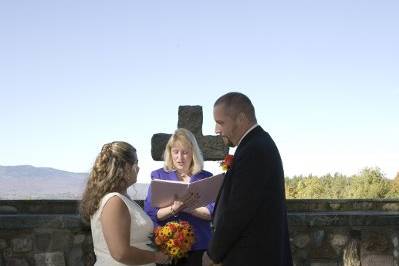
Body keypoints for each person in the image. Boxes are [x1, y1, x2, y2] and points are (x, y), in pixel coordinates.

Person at [203, 92, 293, 266]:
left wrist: (213, 254)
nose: (216, 130)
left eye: (221, 122)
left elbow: (238, 211)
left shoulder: (254, 150)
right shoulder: (256, 144)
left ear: (241, 119)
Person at [79, 141, 170, 266]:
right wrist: (156, 257)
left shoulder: (121, 198)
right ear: (127, 167)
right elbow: (120, 253)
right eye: (136, 163)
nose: (138, 168)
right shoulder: (114, 202)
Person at [144, 128, 214, 266]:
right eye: (175, 152)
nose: (180, 157)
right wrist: (173, 208)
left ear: (193, 153)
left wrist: (187, 207)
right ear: (170, 152)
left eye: (185, 152)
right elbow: (152, 213)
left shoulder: (206, 177)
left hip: (199, 247)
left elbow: (212, 213)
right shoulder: (159, 176)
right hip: (168, 248)